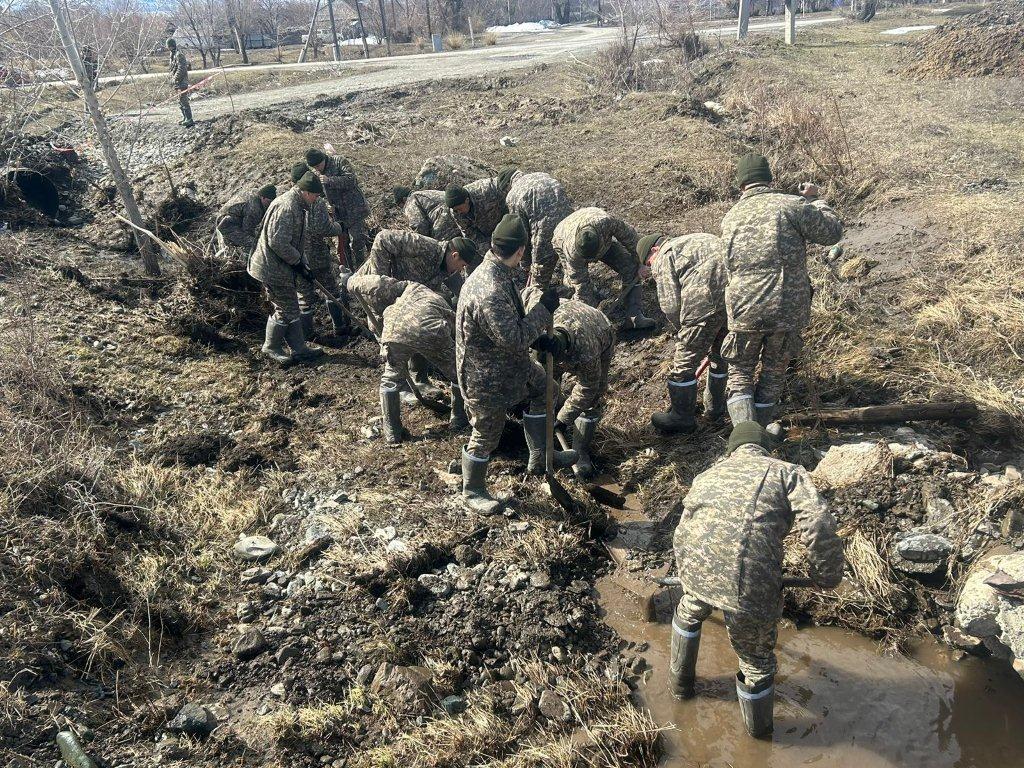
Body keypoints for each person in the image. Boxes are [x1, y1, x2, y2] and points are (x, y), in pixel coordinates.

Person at [670, 421, 844, 737]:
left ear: (732, 450)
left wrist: (689, 572)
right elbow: (818, 521)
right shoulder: (785, 471)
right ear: (765, 448)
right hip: (748, 581)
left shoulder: (707, 475)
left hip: (696, 567)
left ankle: (679, 690)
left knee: (689, 611)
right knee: (756, 662)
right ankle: (760, 741)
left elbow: (683, 527)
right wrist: (828, 574)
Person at [455, 214, 576, 515]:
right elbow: (513, 337)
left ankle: (541, 456)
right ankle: (472, 491)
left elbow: (512, 329)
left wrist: (537, 338)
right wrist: (543, 311)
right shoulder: (489, 290)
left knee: (546, 389)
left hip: (511, 363)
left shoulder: (498, 271)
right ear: (521, 250)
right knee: (486, 432)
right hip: (486, 376)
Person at [720, 153, 843, 426]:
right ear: (769, 178)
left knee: (740, 373)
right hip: (786, 306)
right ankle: (762, 434)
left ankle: (745, 440)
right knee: (774, 372)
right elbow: (832, 233)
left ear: (741, 184)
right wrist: (816, 199)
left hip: (743, 308)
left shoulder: (730, 218)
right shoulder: (791, 204)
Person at [348, 274, 468, 443]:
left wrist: (352, 281)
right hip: (429, 330)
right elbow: (458, 335)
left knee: (390, 380)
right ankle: (459, 420)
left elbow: (380, 283)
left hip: (395, 329)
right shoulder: (443, 304)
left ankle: (392, 432)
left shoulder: (411, 286)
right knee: (458, 372)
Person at [638, 232, 728, 434]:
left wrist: (685, 332)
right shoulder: (701, 238)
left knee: (684, 364)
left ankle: (681, 418)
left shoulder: (664, 254)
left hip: (702, 304)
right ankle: (714, 410)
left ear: (654, 250)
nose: (652, 268)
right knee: (720, 355)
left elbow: (670, 305)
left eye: (649, 264)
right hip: (734, 298)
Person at [523, 294, 615, 479]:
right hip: (565, 318)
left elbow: (588, 387)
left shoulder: (586, 352)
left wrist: (564, 418)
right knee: (545, 384)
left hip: (600, 331)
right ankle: (547, 445)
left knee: (594, 395)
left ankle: (580, 452)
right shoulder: (545, 326)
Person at [247, 172, 325, 365]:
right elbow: (278, 242)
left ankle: (299, 348)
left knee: (291, 306)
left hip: (281, 266)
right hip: (271, 267)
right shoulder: (287, 207)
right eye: (315, 195)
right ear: (306, 192)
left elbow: (295, 242)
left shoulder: (298, 205)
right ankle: (271, 346)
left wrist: (304, 264)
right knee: (284, 307)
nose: (316, 200)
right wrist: (297, 262)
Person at [552, 206, 654, 330]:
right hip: (561, 236)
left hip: (602, 240)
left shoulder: (606, 223)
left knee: (630, 266)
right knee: (573, 285)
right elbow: (581, 286)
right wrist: (591, 322)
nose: (594, 261)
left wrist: (641, 262)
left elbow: (631, 238)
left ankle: (634, 317)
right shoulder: (573, 254)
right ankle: (581, 321)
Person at [288, 162, 349, 342]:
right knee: (331, 290)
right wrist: (339, 227)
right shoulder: (318, 201)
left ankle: (307, 336)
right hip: (317, 255)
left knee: (305, 297)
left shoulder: (288, 200)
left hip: (298, 258)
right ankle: (340, 328)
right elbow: (323, 228)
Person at [500, 168, 574, 288]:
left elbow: (521, 234)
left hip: (545, 232)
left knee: (539, 282)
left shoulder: (513, 195)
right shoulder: (543, 174)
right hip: (570, 223)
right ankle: (582, 292)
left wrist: (526, 265)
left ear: (508, 185)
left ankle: (539, 302)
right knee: (573, 264)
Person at [305, 148, 370, 266]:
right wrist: (326, 205)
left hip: (355, 210)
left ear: (323, 159)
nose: (317, 169)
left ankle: (362, 268)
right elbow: (319, 194)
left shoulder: (339, 161)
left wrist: (329, 180)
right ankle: (349, 271)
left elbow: (351, 180)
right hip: (339, 215)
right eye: (314, 168)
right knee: (343, 246)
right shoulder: (317, 174)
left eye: (318, 166)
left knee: (357, 241)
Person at [215, 185, 275, 265]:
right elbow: (247, 230)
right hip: (227, 225)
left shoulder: (257, 200)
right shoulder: (254, 208)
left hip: (231, 221)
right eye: (269, 201)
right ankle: (247, 265)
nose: (270, 204)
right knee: (252, 243)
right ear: (262, 197)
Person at [445, 178, 507, 253]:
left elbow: (505, 182)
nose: (458, 212)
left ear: (467, 200)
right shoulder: (455, 212)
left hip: (505, 224)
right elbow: (471, 236)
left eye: (459, 209)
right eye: (455, 210)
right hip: (488, 235)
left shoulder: (485, 191)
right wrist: (492, 251)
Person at [166, 39, 193, 128]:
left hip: (182, 81)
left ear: (171, 45)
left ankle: (189, 119)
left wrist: (175, 78)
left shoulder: (179, 55)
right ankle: (185, 118)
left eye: (168, 45)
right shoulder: (172, 54)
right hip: (176, 83)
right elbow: (172, 68)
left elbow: (181, 69)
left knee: (184, 100)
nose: (167, 47)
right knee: (180, 101)